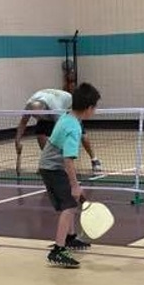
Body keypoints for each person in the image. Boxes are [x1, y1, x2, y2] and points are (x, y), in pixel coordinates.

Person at [38, 83, 101, 268]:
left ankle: (71, 237)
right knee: (68, 206)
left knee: (71, 204)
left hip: (50, 166)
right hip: (53, 168)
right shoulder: (74, 127)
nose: (95, 111)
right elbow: (68, 159)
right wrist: (75, 185)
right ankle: (58, 249)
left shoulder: (68, 116)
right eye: (95, 107)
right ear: (89, 108)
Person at [15, 88, 102, 173]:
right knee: (40, 133)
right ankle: (47, 162)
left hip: (67, 106)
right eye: (35, 116)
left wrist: (65, 159)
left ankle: (94, 159)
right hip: (50, 106)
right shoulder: (29, 105)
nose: (37, 118)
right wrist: (17, 140)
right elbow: (23, 122)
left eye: (39, 116)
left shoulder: (55, 109)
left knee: (82, 135)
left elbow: (60, 133)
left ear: (45, 110)